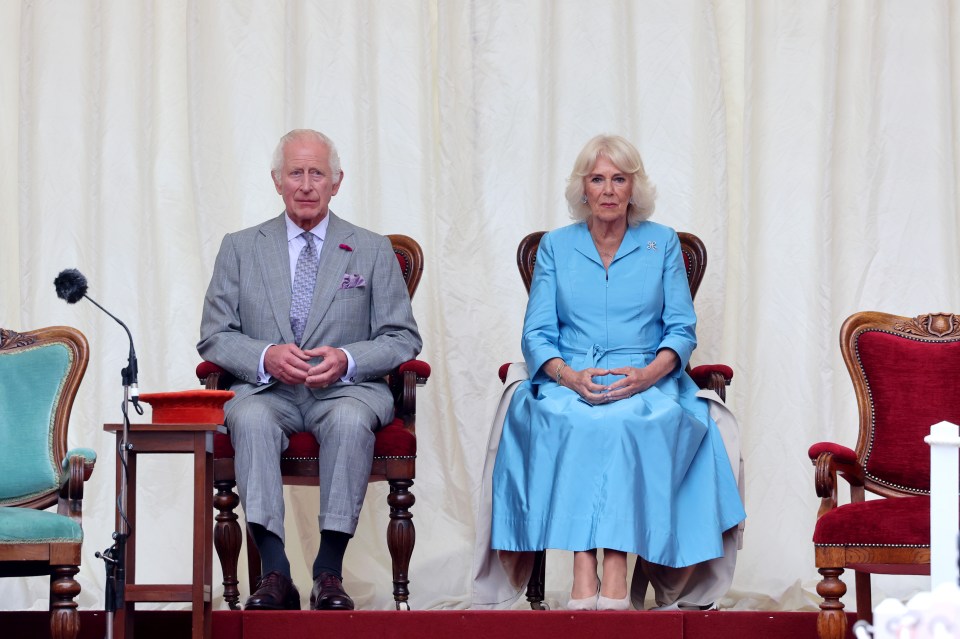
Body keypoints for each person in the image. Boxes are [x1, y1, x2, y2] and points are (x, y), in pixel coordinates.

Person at [490, 134, 746, 611]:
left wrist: (649, 375)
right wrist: (568, 376)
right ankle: (588, 571)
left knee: (628, 422)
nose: (608, 189)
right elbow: (537, 332)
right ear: (583, 188)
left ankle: (612, 570)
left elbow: (682, 329)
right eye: (597, 179)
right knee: (581, 420)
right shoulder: (555, 247)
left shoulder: (662, 242)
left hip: (647, 377)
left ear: (633, 188)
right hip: (570, 377)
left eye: (619, 179)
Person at [198, 129, 422, 611]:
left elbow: (402, 337)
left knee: (346, 421)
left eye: (316, 173)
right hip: (266, 392)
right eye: (295, 173)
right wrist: (264, 356)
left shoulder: (371, 248)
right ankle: (276, 573)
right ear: (277, 181)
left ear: (336, 182)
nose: (305, 184)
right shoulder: (240, 247)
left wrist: (349, 359)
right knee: (250, 419)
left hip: (347, 391)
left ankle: (328, 572)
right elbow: (215, 335)